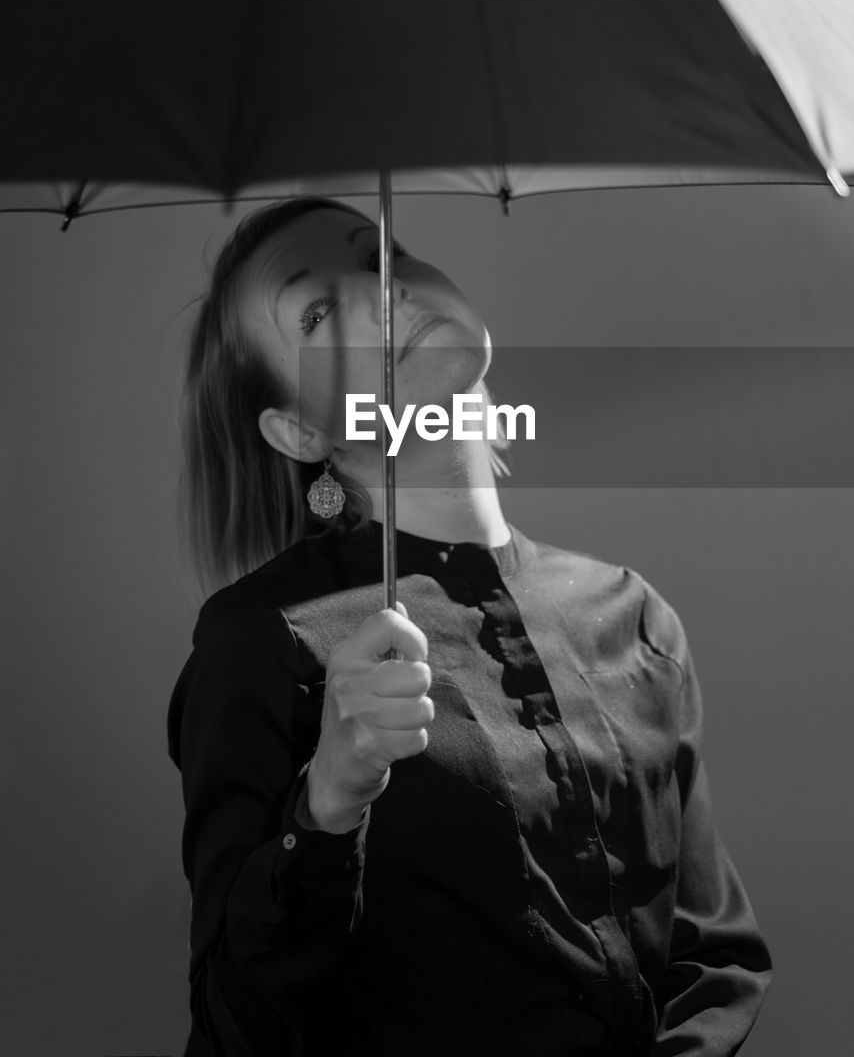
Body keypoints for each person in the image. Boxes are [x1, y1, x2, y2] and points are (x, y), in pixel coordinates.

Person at [167, 195, 772, 1057]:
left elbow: (715, 956)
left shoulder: (630, 613)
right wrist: (325, 805)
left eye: (383, 252)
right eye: (314, 309)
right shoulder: (261, 641)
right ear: (300, 433)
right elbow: (236, 1031)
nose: (382, 292)